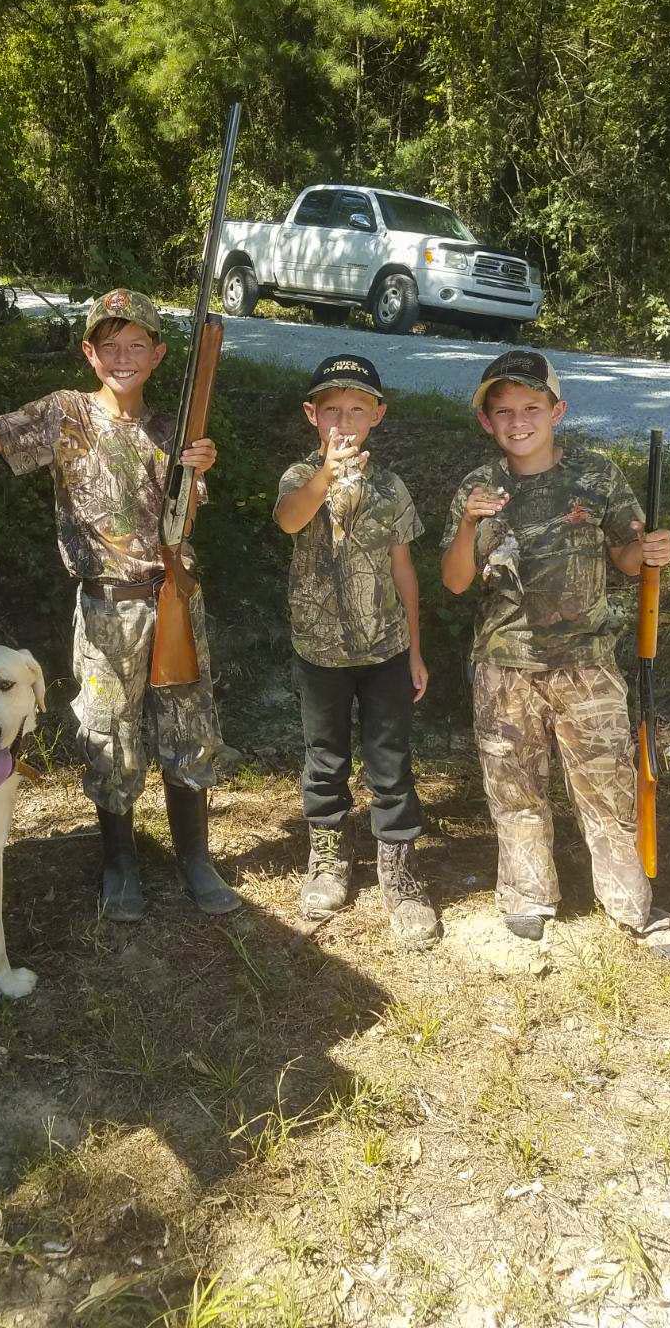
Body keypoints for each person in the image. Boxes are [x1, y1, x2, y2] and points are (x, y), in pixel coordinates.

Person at [0, 288, 240, 922]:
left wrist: (199, 469)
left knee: (187, 725)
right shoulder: (64, 414)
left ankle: (194, 858)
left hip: (174, 599)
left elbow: (184, 518)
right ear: (89, 353)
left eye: (136, 345)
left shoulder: (173, 428)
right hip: (105, 608)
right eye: (109, 345)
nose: (123, 357)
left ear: (157, 354)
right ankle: (119, 863)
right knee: (109, 732)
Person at [441, 348, 670, 958]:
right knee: (514, 787)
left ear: (557, 410)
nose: (518, 421)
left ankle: (630, 902)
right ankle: (527, 895)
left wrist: (647, 551)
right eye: (503, 412)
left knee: (608, 784)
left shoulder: (596, 476)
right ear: (486, 422)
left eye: (531, 407)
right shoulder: (477, 485)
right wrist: (468, 524)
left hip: (587, 664)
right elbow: (455, 581)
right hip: (504, 666)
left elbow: (626, 557)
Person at [274, 354, 437, 948]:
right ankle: (327, 858)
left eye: (357, 409)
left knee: (390, 760)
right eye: (331, 410)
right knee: (325, 755)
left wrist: (415, 650)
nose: (344, 420)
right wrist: (325, 475)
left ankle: (399, 873)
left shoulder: (391, 488)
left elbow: (404, 568)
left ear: (378, 415)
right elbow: (291, 521)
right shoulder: (299, 476)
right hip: (320, 651)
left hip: (386, 648)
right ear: (312, 416)